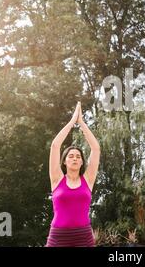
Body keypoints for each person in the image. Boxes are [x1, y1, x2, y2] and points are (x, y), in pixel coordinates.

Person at [45, 102, 100, 247]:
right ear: (64, 162)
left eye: (78, 156)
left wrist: (81, 123)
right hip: (58, 236)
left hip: (83, 236)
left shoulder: (88, 180)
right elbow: (55, 146)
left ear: (82, 162)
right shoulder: (57, 179)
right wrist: (72, 121)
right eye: (70, 156)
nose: (75, 158)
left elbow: (95, 148)